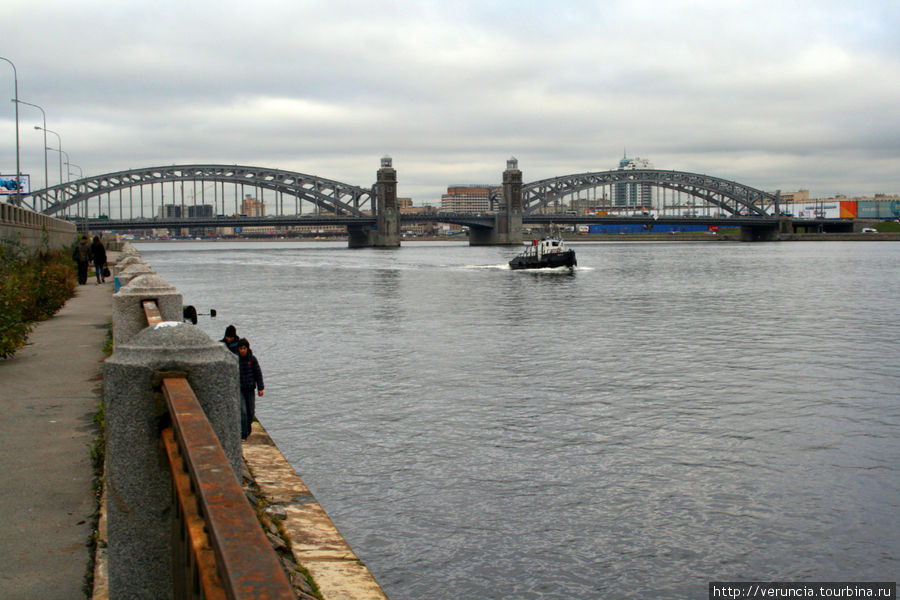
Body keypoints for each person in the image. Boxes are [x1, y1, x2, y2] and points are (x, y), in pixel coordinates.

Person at [236, 338, 264, 440]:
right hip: (240, 389)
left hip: (250, 389)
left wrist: (260, 388)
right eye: (240, 348)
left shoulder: (252, 359)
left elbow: (258, 373)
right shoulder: (235, 360)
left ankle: (248, 428)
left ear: (247, 349)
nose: (242, 350)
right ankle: (244, 434)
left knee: (250, 412)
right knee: (243, 411)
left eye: (244, 348)